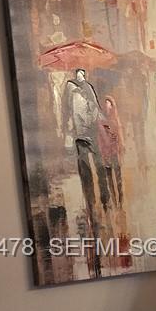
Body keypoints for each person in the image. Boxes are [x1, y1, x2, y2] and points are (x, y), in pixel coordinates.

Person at [62, 68, 109, 215]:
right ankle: (95, 199)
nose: (80, 76)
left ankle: (100, 198)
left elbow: (95, 109)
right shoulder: (73, 89)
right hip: (82, 134)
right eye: (79, 74)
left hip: (86, 132)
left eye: (82, 74)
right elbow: (68, 111)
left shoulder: (87, 88)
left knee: (93, 166)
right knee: (89, 166)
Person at [97, 95, 125, 208]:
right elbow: (102, 138)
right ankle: (114, 200)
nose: (107, 108)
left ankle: (120, 200)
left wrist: (121, 145)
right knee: (109, 177)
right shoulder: (101, 121)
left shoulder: (115, 119)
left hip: (115, 152)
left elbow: (119, 133)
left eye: (109, 105)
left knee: (118, 176)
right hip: (106, 153)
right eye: (106, 105)